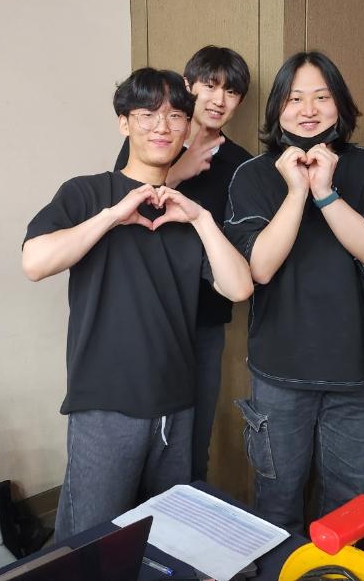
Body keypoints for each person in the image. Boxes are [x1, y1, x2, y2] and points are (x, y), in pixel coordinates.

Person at [22, 67, 253, 541]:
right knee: (91, 546)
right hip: (105, 405)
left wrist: (202, 219)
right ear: (124, 123)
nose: (162, 126)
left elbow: (239, 288)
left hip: (177, 405)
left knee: (166, 540)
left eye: (175, 116)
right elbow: (35, 262)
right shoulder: (87, 193)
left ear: (187, 129)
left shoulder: (184, 213)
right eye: (147, 114)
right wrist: (112, 216)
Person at [224, 50, 364, 533]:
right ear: (277, 109)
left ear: (340, 104)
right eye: (294, 98)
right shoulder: (253, 175)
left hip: (355, 370)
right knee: (276, 502)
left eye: (321, 97)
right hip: (280, 374)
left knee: (348, 504)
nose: (308, 109)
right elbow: (260, 268)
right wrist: (296, 191)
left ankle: (337, 569)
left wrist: (325, 191)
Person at [114, 45, 253, 481]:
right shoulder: (152, 143)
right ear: (187, 86)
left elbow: (236, 247)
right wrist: (178, 171)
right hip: (142, 311)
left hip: (203, 315)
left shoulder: (242, 164)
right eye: (209, 86)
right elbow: (117, 215)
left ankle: (187, 510)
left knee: (193, 438)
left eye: (231, 91)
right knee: (133, 434)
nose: (218, 100)